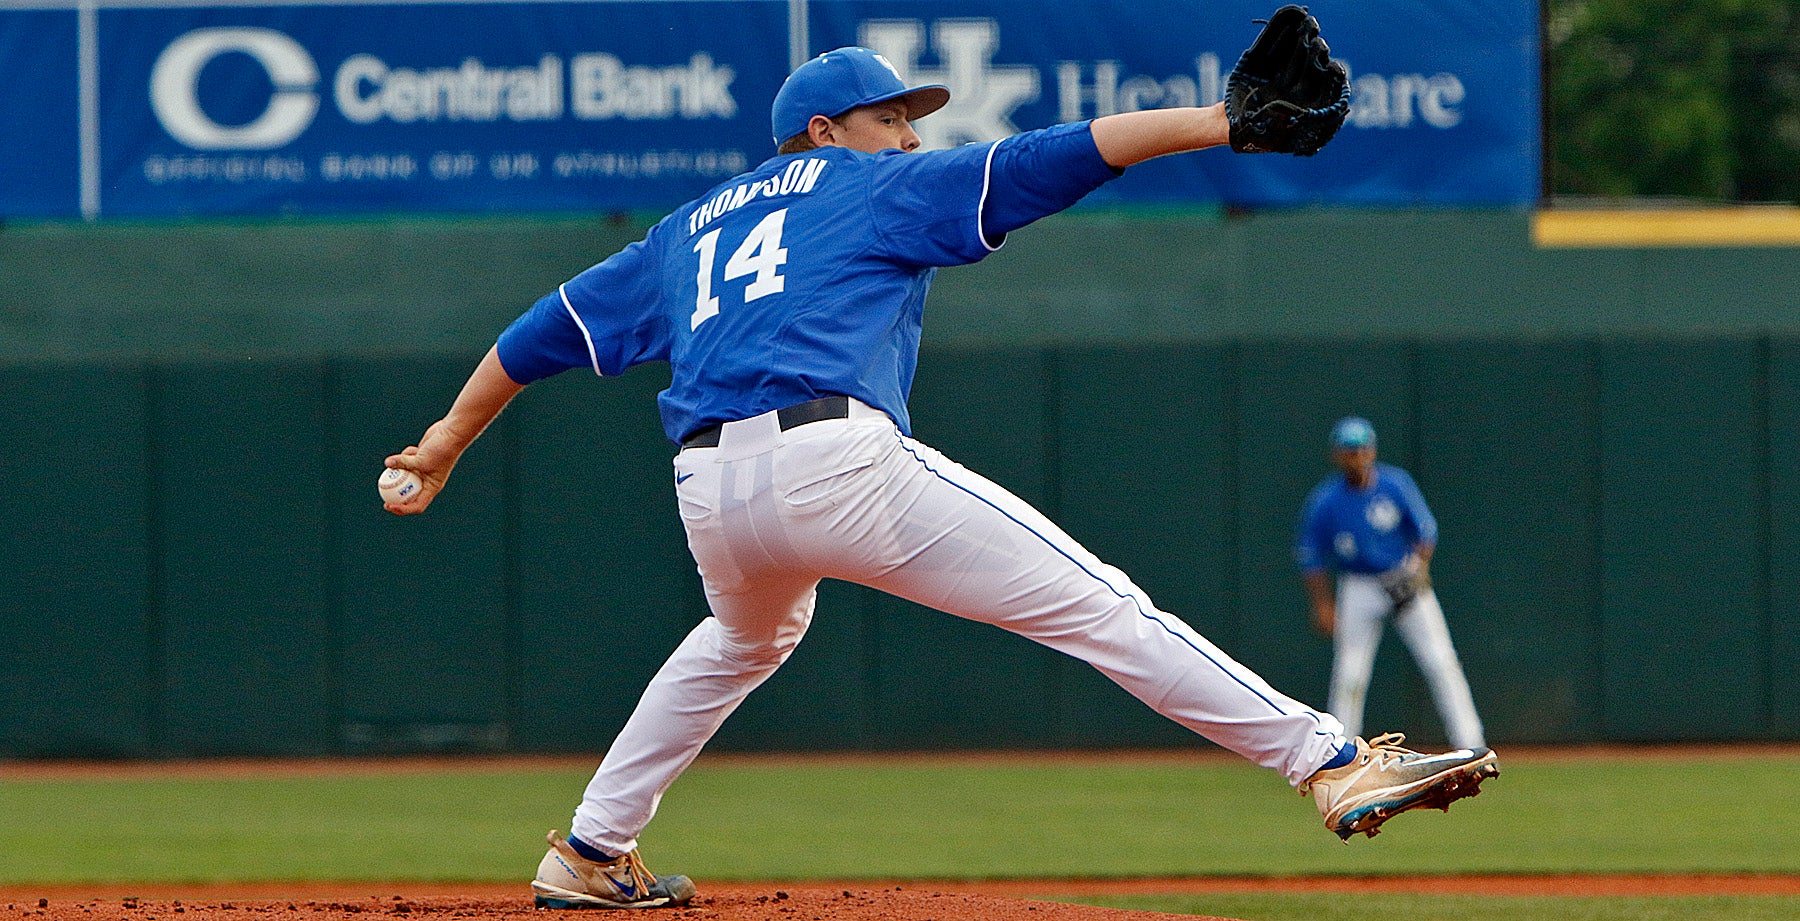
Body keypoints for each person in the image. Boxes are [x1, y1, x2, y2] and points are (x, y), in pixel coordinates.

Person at [383, 48, 1499, 909]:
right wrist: (1217, 121)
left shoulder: (684, 231)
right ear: (823, 131)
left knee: (742, 638)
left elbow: (544, 331)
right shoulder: (861, 187)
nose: (910, 137)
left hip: (711, 495)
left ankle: (589, 851)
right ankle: (1332, 759)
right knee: (1101, 605)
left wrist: (445, 438)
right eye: (891, 119)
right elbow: (1054, 157)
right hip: (837, 464)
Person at [1295, 416, 1487, 751]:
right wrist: (1323, 605)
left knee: (1441, 661)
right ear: (1337, 455)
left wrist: (1420, 567)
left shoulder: (1395, 484)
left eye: (1362, 449)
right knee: (1351, 673)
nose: (1357, 456)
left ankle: (1471, 744)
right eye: (1349, 450)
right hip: (1358, 586)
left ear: (1372, 450)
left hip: (1403, 578)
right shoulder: (1326, 501)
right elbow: (1311, 558)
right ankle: (1338, 752)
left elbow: (1425, 532)